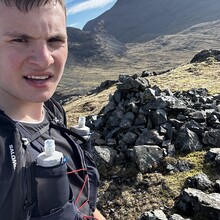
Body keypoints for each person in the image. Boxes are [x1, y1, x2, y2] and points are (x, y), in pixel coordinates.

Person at [0, 0, 106, 219]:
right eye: (20, 40)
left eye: (55, 40)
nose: (44, 60)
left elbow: (85, 203)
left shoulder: (53, 111)